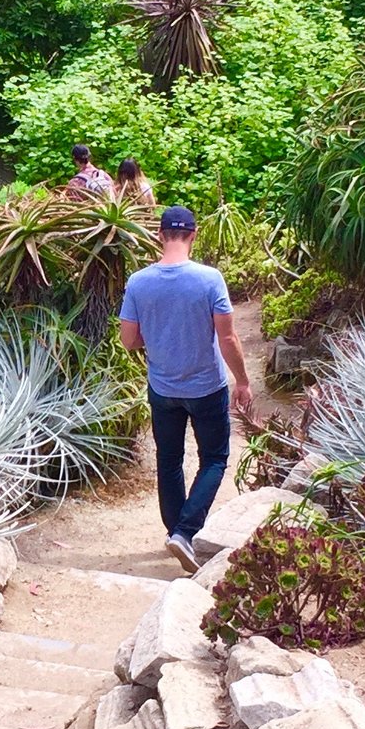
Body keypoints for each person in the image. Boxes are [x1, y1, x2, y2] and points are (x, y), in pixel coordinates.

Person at [118, 204, 254, 573]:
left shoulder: (138, 282)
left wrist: (158, 333)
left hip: (163, 388)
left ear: (160, 235)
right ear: (193, 234)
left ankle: (175, 531)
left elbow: (128, 341)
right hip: (206, 387)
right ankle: (186, 531)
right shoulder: (209, 280)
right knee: (214, 458)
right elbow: (227, 337)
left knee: (169, 458)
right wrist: (242, 381)